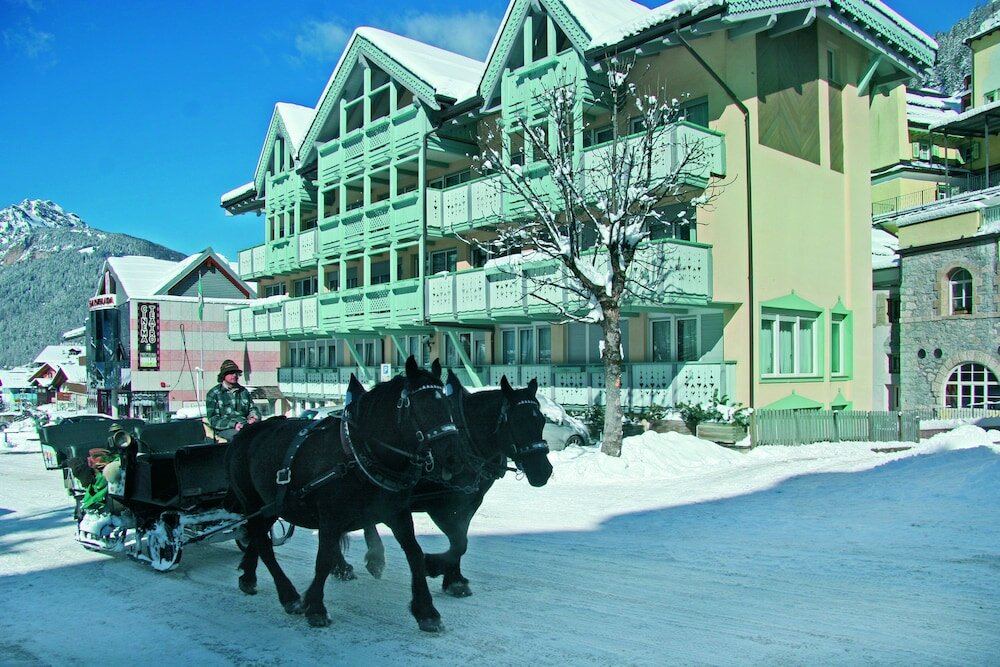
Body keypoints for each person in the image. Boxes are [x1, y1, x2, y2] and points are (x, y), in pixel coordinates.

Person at [205, 359, 260, 442]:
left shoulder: (243, 391)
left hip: (245, 426)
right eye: (231, 373)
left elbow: (252, 409)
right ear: (223, 375)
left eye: (236, 373)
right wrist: (234, 425)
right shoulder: (214, 394)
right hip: (225, 429)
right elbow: (213, 420)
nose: (234, 375)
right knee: (241, 438)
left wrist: (254, 418)